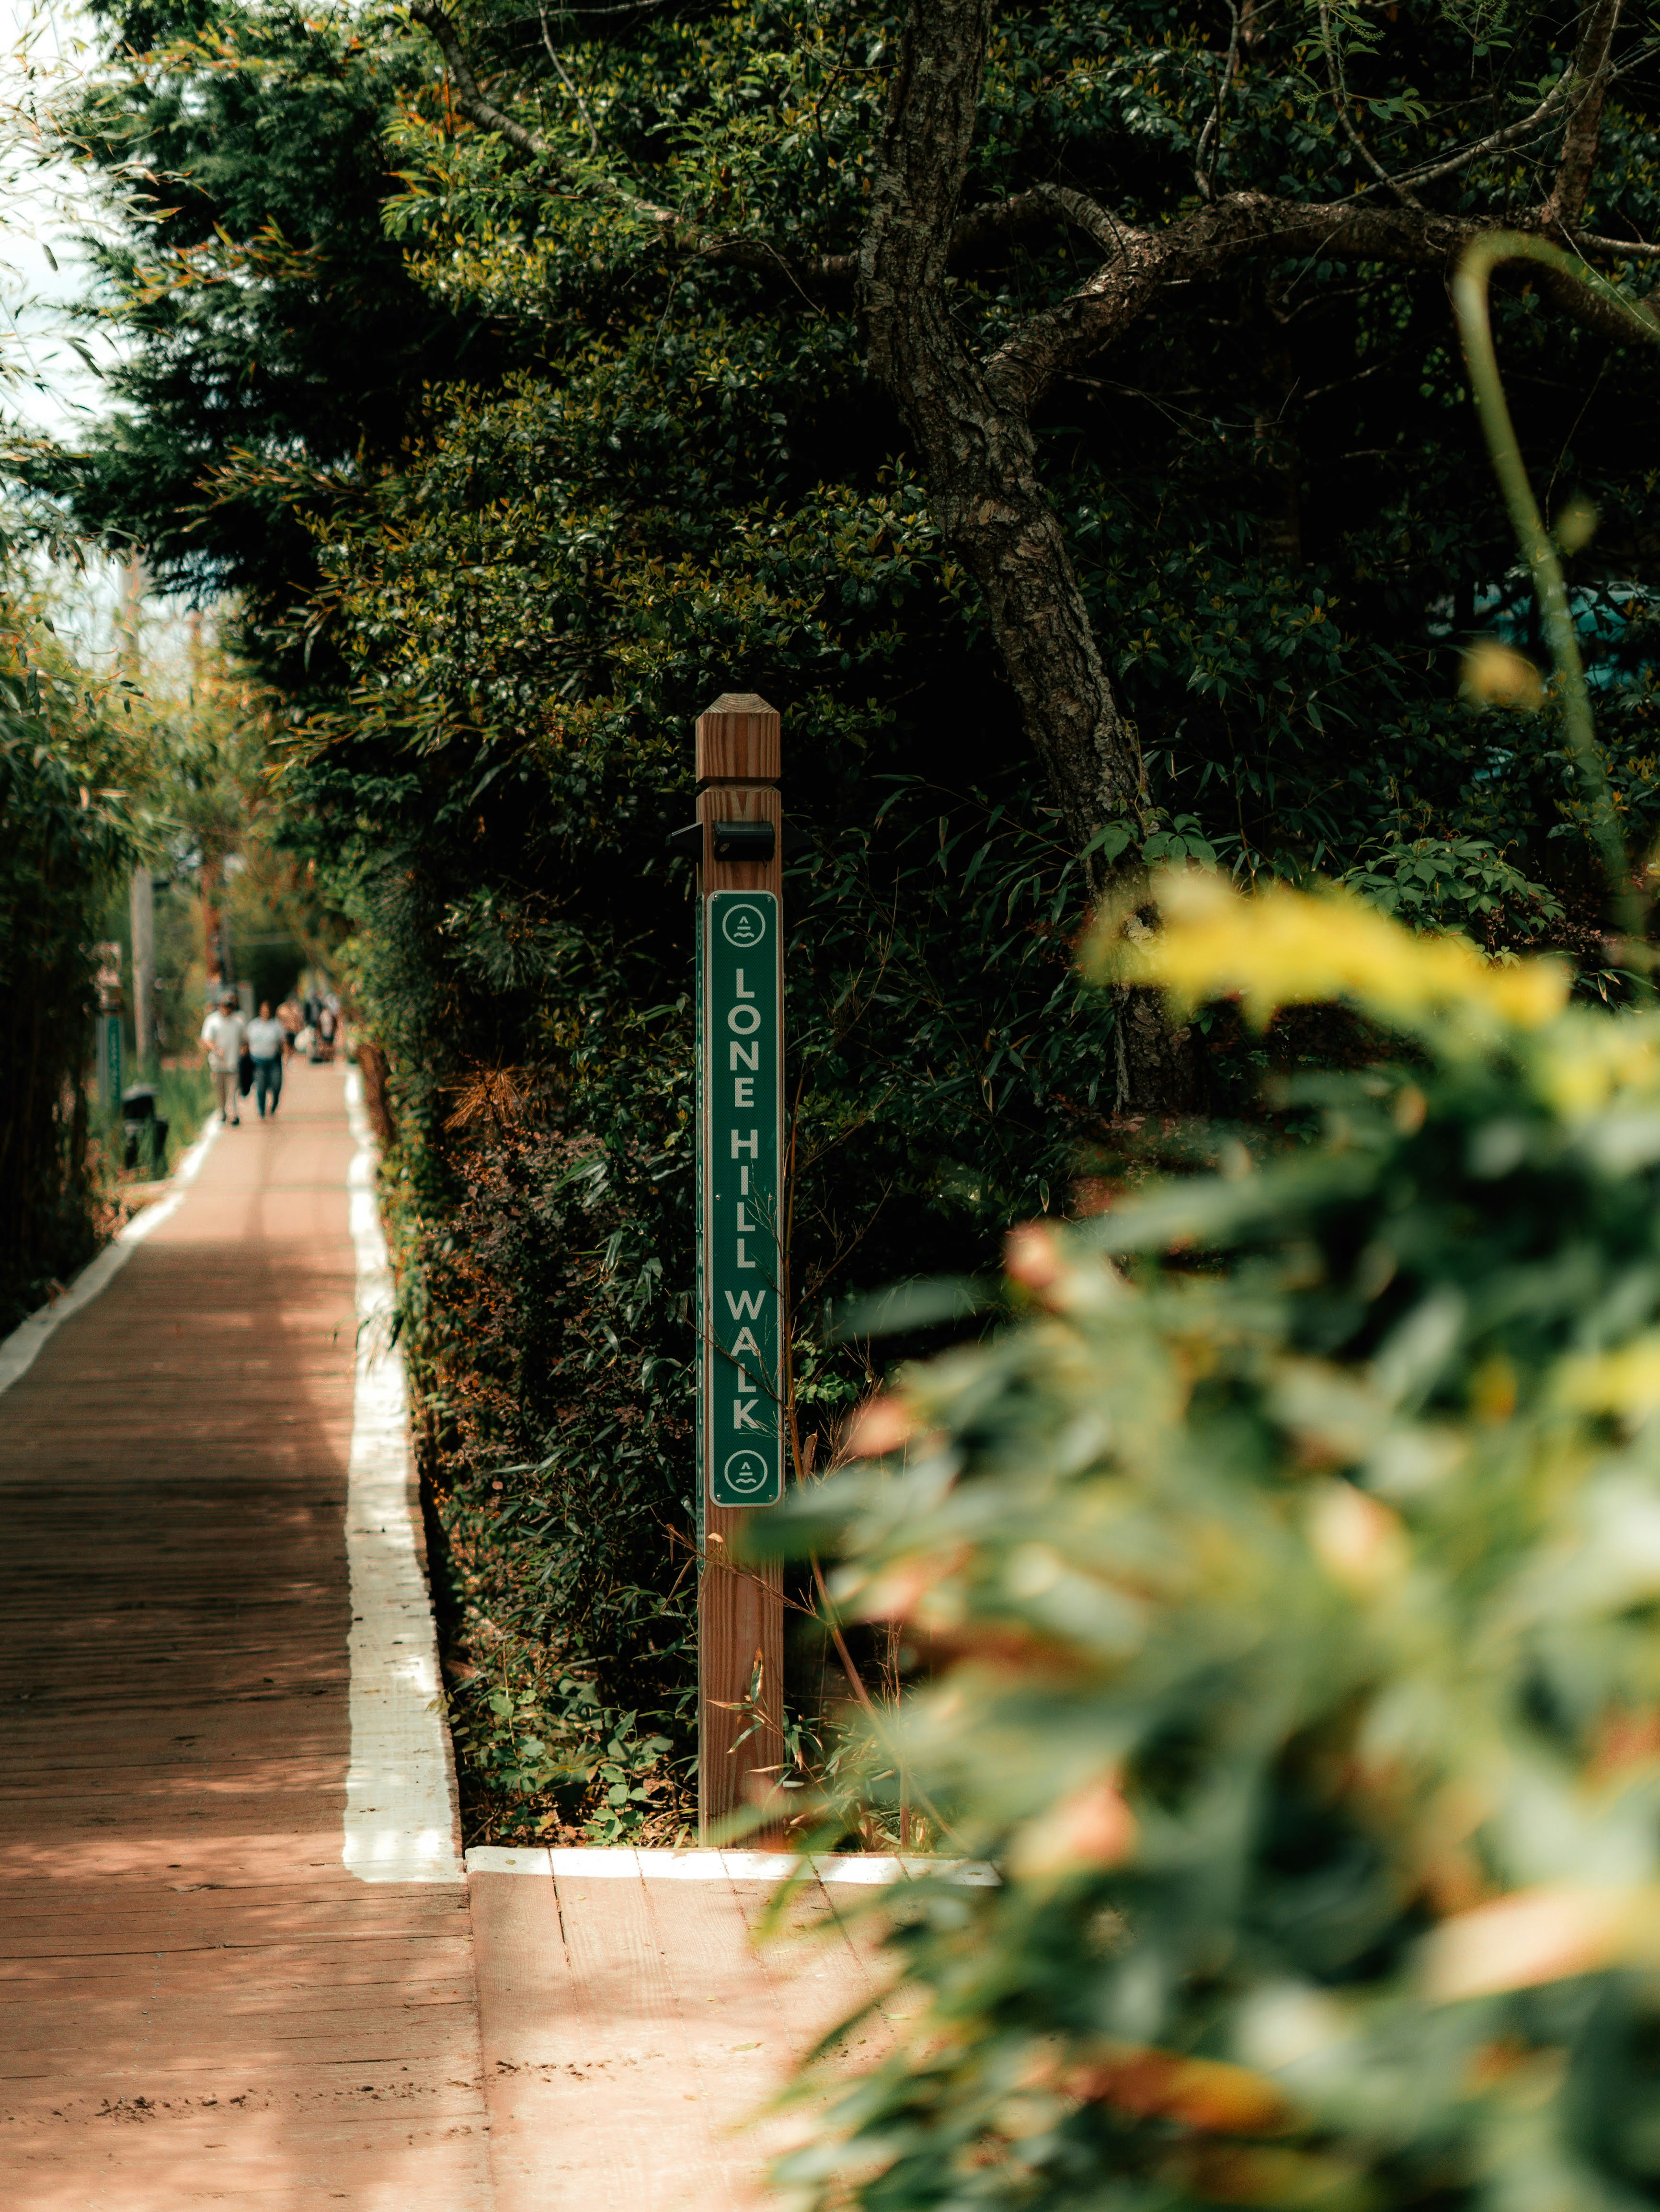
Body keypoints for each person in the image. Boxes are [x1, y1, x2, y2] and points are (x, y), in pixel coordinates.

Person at [200, 990, 247, 1126]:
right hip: (218, 1063)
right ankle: (222, 1112)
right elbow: (206, 1040)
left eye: (230, 1006)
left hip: (233, 1062)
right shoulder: (212, 1021)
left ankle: (233, 1114)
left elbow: (244, 1040)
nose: (227, 1009)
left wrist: (243, 1052)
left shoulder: (238, 1022)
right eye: (225, 1005)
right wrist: (216, 1049)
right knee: (221, 1091)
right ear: (220, 1006)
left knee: (233, 1091)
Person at [246, 999, 286, 1119]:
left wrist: (287, 1055)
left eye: (268, 1011)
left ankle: (274, 1104)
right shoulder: (253, 1026)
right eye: (264, 1011)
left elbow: (283, 1042)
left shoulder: (276, 1026)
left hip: (273, 1060)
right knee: (261, 1086)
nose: (266, 1013)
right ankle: (262, 1110)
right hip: (258, 1061)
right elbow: (246, 1042)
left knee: (276, 1084)